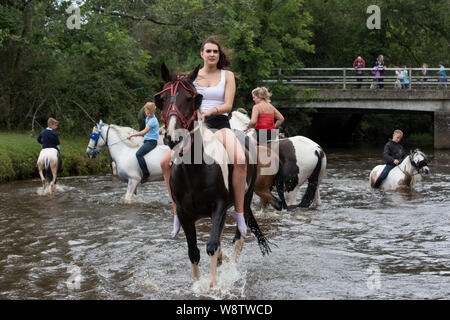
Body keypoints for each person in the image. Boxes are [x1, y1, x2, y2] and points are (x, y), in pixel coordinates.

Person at [160, 36, 247, 238]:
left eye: (215, 51)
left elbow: (228, 105)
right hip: (194, 129)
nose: (212, 55)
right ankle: (176, 211)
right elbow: (178, 99)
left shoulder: (228, 75)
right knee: (165, 162)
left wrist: (210, 112)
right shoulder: (191, 77)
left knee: (241, 160)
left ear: (219, 55)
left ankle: (240, 213)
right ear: (202, 54)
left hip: (219, 125)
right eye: (208, 51)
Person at [128, 102, 159, 184]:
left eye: (151, 113)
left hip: (152, 142)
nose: (149, 115)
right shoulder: (147, 119)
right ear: (145, 111)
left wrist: (133, 135)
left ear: (154, 112)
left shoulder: (153, 120)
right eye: (147, 113)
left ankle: (146, 173)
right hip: (147, 140)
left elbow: (144, 132)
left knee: (138, 154)